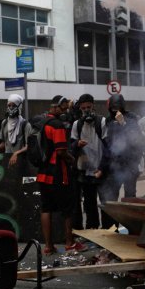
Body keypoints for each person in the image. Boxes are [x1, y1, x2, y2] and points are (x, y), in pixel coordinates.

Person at [38, 95, 86, 255]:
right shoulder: (57, 125)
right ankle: (69, 243)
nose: (65, 111)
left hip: (43, 173)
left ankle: (48, 246)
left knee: (46, 208)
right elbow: (61, 151)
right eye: (64, 108)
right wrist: (72, 160)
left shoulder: (42, 122)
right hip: (58, 173)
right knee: (67, 209)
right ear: (56, 107)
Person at [70, 93, 111, 229]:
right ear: (80, 108)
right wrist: (77, 144)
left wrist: (102, 168)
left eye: (88, 107)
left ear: (93, 106)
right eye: (83, 108)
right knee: (89, 204)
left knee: (105, 203)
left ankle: (107, 230)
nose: (86, 110)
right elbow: (71, 145)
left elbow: (108, 147)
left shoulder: (102, 122)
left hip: (100, 170)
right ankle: (92, 230)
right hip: (85, 171)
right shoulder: (77, 124)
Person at [103, 93, 145, 201]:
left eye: (117, 107)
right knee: (112, 195)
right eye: (112, 108)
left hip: (130, 163)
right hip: (115, 164)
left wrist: (123, 123)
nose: (115, 110)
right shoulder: (108, 120)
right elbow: (108, 142)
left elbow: (136, 139)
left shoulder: (132, 118)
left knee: (130, 196)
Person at [0, 94, 33, 168]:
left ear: (19, 107)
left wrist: (16, 153)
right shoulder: (4, 123)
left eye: (14, 105)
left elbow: (29, 146)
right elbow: (4, 142)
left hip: (22, 162)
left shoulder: (25, 125)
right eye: (9, 105)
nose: (11, 108)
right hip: (8, 161)